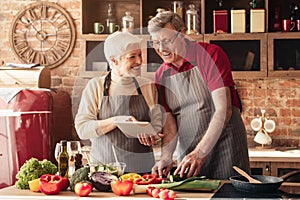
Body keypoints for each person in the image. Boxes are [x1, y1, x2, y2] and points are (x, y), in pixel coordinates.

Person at [147, 11, 250, 180]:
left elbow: (223, 110)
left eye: (166, 41)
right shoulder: (161, 75)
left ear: (182, 34)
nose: (161, 49)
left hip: (226, 146)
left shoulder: (210, 55)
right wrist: (166, 157)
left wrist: (199, 153)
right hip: (188, 153)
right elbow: (170, 123)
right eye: (155, 43)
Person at [75, 31, 163, 173]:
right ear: (114, 60)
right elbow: (83, 129)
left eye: (140, 55)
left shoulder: (148, 86)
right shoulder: (95, 86)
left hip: (143, 172)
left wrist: (153, 135)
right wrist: (117, 121)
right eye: (132, 57)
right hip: (105, 172)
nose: (140, 61)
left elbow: (158, 125)